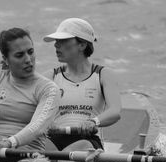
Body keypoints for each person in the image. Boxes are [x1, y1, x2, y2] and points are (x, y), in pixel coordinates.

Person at [0, 28, 60, 162]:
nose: (28, 59)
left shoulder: (48, 88)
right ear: (6, 59)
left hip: (27, 155)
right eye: (19, 55)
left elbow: (38, 126)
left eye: (30, 52)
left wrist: (9, 142)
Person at [43, 18, 121, 152]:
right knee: (29, 150)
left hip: (87, 140)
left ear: (82, 45)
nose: (56, 45)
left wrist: (93, 122)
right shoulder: (50, 77)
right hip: (54, 139)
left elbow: (115, 111)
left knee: (73, 152)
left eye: (63, 41)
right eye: (56, 41)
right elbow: (31, 111)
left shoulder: (103, 74)